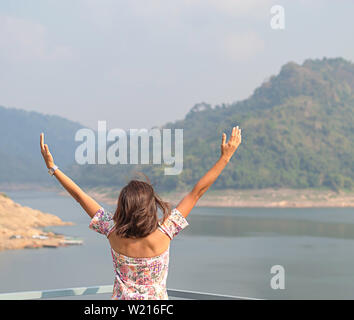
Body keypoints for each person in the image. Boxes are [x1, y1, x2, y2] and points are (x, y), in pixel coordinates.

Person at [40, 126, 241, 300]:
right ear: (150, 207)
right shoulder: (165, 233)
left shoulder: (112, 231)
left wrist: (53, 168)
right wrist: (225, 157)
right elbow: (197, 193)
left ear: (123, 206)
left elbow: (80, 196)